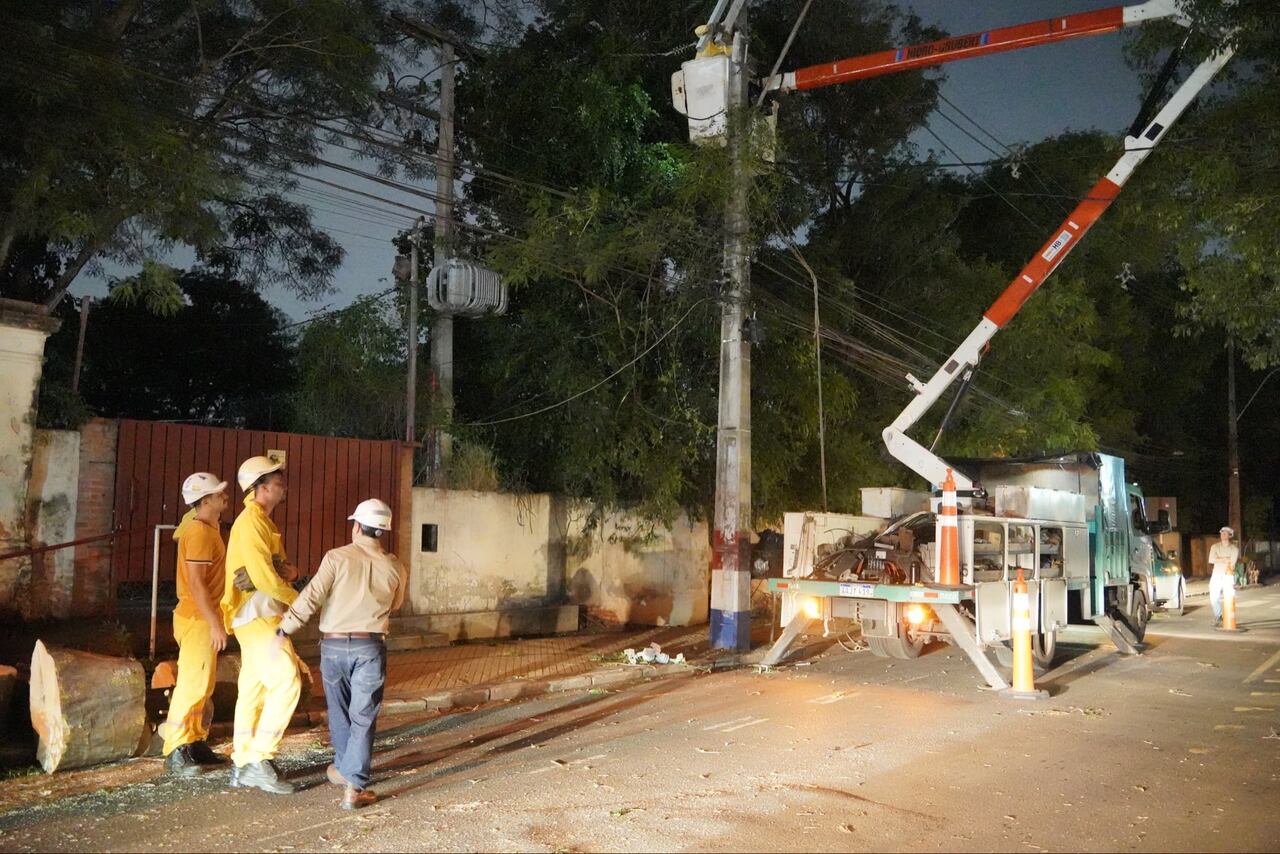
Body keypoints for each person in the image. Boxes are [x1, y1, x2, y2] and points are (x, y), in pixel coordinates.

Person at [274, 499, 407, 810]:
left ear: (357, 526)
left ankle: (344, 770)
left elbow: (312, 596)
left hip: (333, 648)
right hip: (370, 646)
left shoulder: (336, 557)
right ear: (383, 531)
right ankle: (353, 785)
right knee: (363, 716)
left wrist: (284, 628)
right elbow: (396, 604)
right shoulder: (396, 567)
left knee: (339, 711)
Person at [220, 455, 303, 794]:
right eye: (279, 483)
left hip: (254, 614)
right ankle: (259, 758)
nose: (284, 489)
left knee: (253, 690)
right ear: (262, 487)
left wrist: (291, 573)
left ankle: (243, 761)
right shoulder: (252, 522)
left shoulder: (261, 522)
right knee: (287, 681)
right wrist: (301, 602)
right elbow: (266, 577)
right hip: (258, 615)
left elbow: (276, 569)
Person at [162, 472, 231, 776]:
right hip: (198, 618)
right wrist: (214, 623)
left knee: (203, 684)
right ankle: (175, 749)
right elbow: (197, 584)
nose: (224, 496)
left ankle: (193, 742)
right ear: (205, 501)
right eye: (218, 493)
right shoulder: (200, 532)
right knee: (193, 684)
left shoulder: (202, 525)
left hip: (197, 617)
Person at [1208, 525, 1240, 627]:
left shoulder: (1234, 549)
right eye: (1222, 533)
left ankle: (1229, 618)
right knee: (1213, 597)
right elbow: (1211, 560)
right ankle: (1219, 616)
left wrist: (1219, 558)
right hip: (1216, 574)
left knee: (1229, 598)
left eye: (1225, 533)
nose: (1223, 535)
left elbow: (1232, 563)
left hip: (1228, 575)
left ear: (1230, 535)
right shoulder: (1215, 547)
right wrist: (1224, 559)